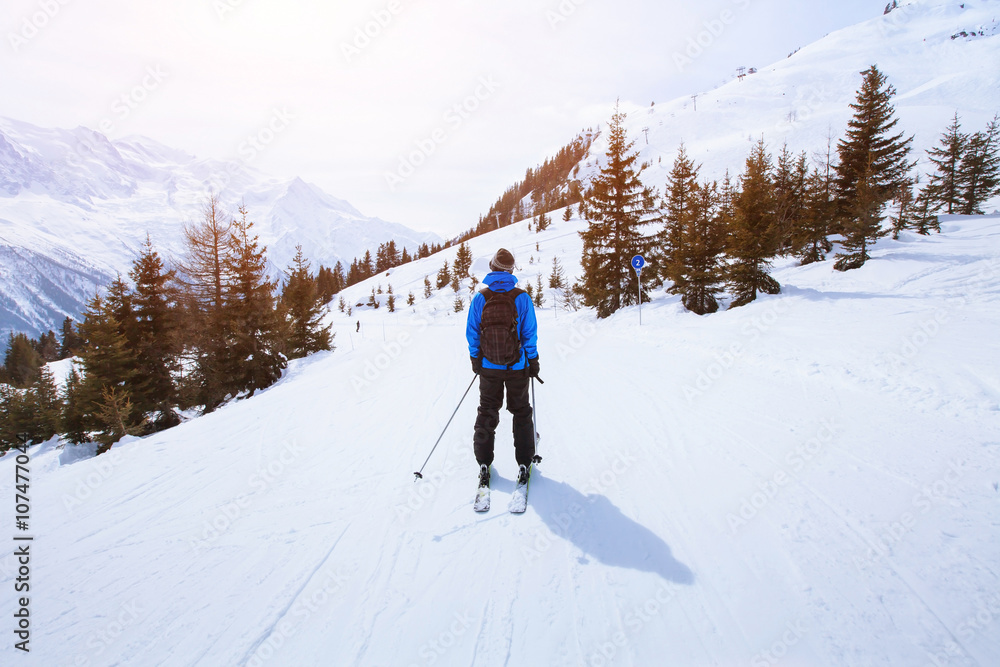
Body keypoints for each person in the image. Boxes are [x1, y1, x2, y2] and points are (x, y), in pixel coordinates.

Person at [466, 248, 540, 489]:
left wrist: (476, 359)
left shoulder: (480, 298)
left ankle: (484, 464)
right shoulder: (522, 297)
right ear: (511, 270)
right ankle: (524, 463)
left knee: (487, 411)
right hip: (517, 365)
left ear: (492, 268)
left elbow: (472, 333)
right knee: (521, 412)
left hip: (489, 366)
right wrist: (533, 360)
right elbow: (529, 334)